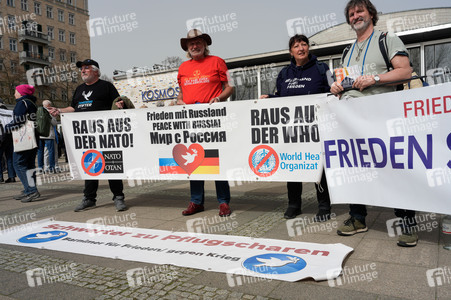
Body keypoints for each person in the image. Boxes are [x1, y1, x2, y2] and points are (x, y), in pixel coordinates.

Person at [330, 0, 416, 247]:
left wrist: (375, 78)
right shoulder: (347, 51)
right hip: (352, 119)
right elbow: (346, 83)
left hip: (382, 115)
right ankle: (358, 218)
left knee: (394, 168)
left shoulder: (386, 39)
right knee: (354, 167)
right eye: (351, 13)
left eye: (360, 11)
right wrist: (336, 88)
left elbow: (405, 72)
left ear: (371, 14)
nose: (355, 15)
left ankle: (407, 220)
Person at [260, 34, 333, 221]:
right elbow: (281, 99)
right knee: (292, 165)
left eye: (303, 44)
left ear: (308, 47)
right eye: (296, 46)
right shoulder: (284, 73)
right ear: (291, 51)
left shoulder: (321, 68)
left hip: (316, 129)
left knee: (319, 168)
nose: (300, 48)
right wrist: (270, 98)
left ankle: (324, 206)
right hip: (292, 131)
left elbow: (332, 93)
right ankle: (294, 205)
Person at [48, 59, 127, 212]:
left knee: (112, 165)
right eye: (82, 69)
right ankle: (89, 198)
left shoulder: (106, 86)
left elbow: (117, 103)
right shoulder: (79, 89)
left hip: (105, 134)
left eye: (86, 68)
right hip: (86, 136)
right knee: (90, 165)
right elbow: (73, 108)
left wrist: (120, 105)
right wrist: (59, 110)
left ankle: (118, 197)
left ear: (96, 71)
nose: (83, 71)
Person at [177, 29, 234, 217]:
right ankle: (196, 201)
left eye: (198, 42)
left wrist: (218, 98)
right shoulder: (183, 68)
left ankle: (223, 202)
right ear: (187, 47)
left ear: (205, 44)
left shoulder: (218, 61)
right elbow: (181, 93)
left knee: (217, 159)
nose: (195, 46)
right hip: (190, 120)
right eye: (191, 43)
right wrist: (178, 101)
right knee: (193, 159)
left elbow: (230, 87)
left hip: (214, 118)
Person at [5, 84, 40, 202]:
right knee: (29, 165)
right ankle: (28, 190)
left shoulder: (21, 103)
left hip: (24, 138)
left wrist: (6, 127)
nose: (14, 93)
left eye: (16, 91)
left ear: (21, 93)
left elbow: (19, 121)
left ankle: (31, 191)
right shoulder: (32, 103)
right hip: (33, 137)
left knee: (18, 164)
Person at [37, 100, 57, 173]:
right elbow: (54, 123)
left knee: (40, 152)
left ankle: (40, 168)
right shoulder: (50, 112)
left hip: (40, 134)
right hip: (49, 135)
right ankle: (51, 168)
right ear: (49, 105)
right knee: (51, 151)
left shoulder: (37, 111)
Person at [0, 99, 16, 183]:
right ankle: (12, 176)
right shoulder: (10, 112)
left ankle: (0, 177)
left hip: (1, 136)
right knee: (10, 158)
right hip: (10, 136)